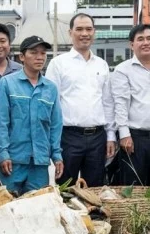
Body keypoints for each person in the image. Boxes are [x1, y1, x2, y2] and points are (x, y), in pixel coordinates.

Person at [45, 13, 115, 187]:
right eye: (79, 29)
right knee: (65, 187)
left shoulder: (102, 64)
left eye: (89, 29)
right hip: (68, 136)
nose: (85, 33)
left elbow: (107, 102)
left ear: (94, 32)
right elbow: (50, 105)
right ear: (70, 32)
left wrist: (111, 136)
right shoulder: (58, 63)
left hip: (98, 136)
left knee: (95, 188)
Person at [0, 36, 64, 194]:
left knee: (37, 208)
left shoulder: (50, 88)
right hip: (13, 160)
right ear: (21, 57)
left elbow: (55, 125)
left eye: (43, 53)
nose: (39, 57)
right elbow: (2, 122)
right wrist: (3, 153)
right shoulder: (7, 83)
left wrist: (57, 155)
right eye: (33, 53)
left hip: (39, 162)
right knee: (7, 207)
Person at [112, 24, 150, 186]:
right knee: (133, 186)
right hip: (135, 139)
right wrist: (124, 134)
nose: (145, 43)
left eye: (149, 38)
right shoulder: (122, 70)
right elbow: (120, 104)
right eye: (140, 39)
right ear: (131, 44)